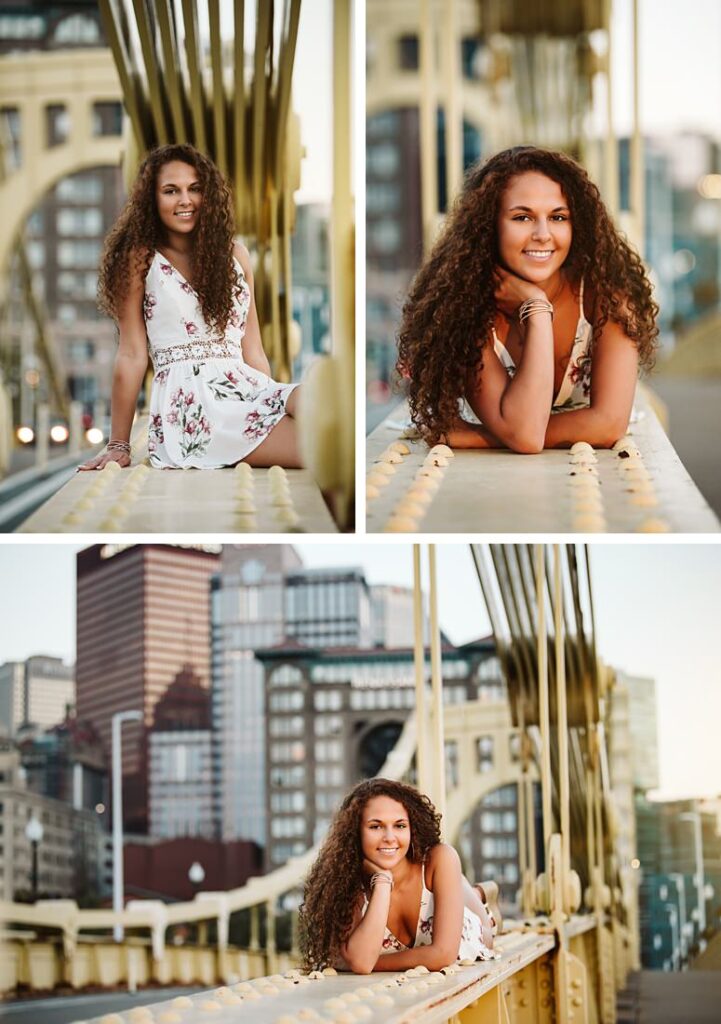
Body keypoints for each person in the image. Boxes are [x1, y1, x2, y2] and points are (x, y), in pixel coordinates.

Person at [397, 146, 658, 454]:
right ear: (488, 225)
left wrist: (484, 437)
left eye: (558, 217)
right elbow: (525, 435)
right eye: (522, 217)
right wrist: (536, 309)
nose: (543, 234)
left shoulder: (607, 297)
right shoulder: (461, 314)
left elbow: (608, 424)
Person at [79, 143, 302, 471]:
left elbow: (252, 349)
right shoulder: (140, 261)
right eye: (171, 191)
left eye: (194, 189)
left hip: (246, 393)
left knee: (322, 405)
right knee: (323, 449)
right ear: (151, 200)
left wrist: (266, 406)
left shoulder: (235, 255)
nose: (185, 200)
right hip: (193, 410)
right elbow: (131, 354)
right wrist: (118, 444)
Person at [299, 778, 498, 974]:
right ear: (355, 832)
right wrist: (383, 882)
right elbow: (361, 962)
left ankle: (478, 893)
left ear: (412, 828)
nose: (389, 837)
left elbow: (443, 955)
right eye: (375, 826)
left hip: (470, 928)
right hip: (395, 885)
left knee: (486, 924)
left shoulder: (439, 859)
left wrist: (371, 962)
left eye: (400, 825)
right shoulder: (348, 885)